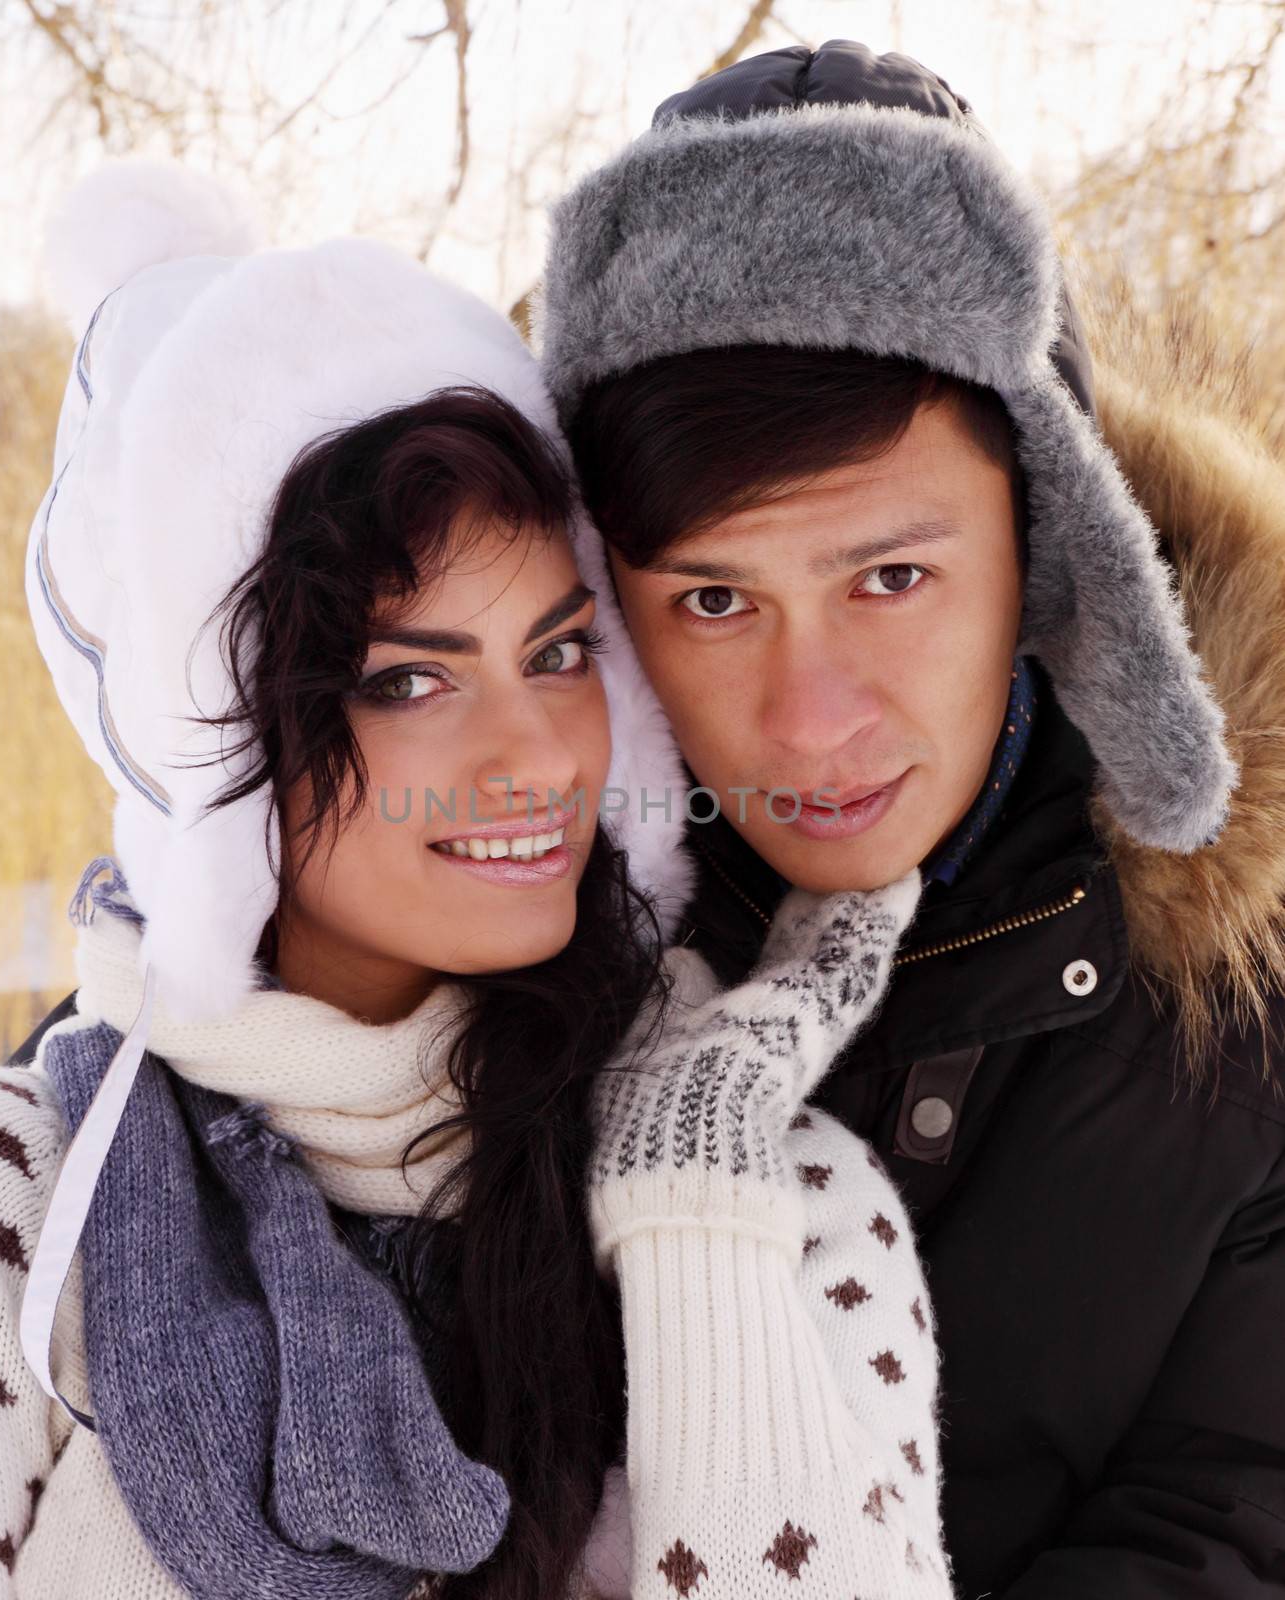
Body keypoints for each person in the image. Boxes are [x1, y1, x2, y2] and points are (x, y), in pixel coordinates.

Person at [0, 160, 947, 1600]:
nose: (536, 758)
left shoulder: (785, 1196)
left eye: (558, 651)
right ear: (211, 749)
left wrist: (692, 1213)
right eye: (408, 678)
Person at [537, 38, 1285, 1597]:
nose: (810, 719)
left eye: (890, 576)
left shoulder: (1246, 1011)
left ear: (1048, 549)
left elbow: (1235, 1515)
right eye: (714, 596)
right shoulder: (498, 936)